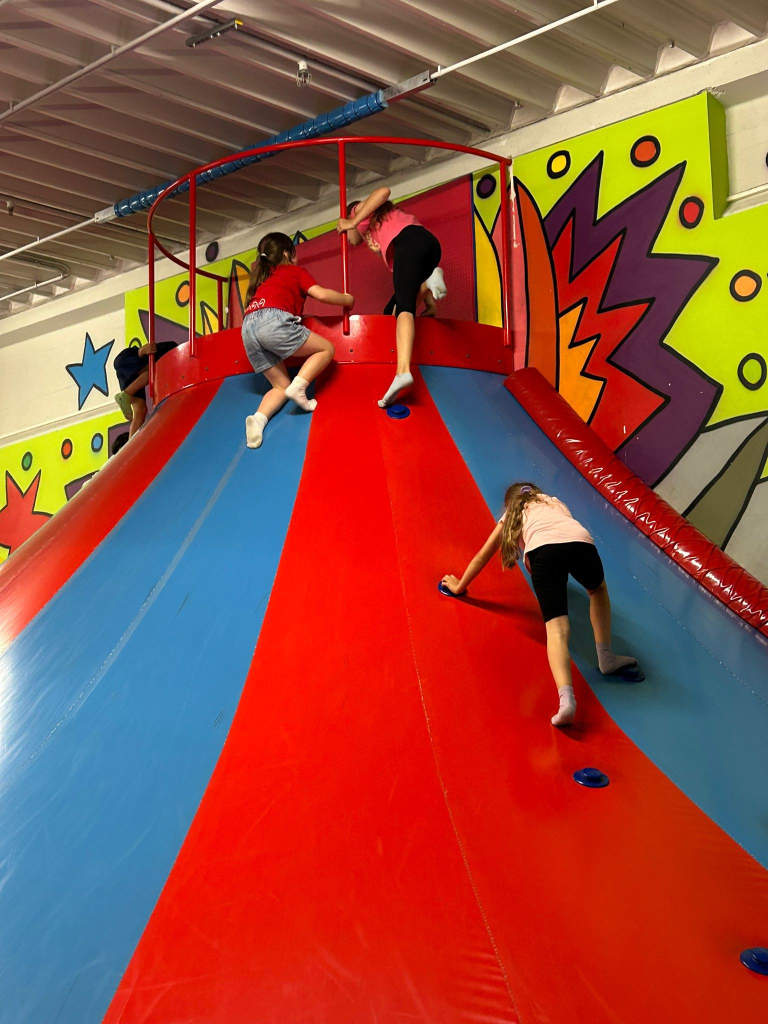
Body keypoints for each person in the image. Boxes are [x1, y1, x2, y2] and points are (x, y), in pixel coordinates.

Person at [441, 482, 638, 727]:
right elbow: (564, 536)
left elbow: (484, 554)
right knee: (597, 590)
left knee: (557, 630)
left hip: (542, 553)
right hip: (581, 543)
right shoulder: (553, 501)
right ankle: (606, 657)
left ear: (510, 503)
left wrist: (460, 586)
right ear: (536, 492)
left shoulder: (512, 513)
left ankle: (567, 701)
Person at [242, 232, 353, 449]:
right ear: (287, 254)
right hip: (272, 322)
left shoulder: (263, 279)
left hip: (248, 329)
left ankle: (258, 419)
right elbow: (321, 294)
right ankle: (299, 386)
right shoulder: (294, 271)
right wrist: (347, 299)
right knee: (326, 349)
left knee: (280, 386)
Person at [337, 188, 444, 408]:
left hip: (411, 242)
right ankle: (429, 282)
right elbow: (409, 278)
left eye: (344, 231)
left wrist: (351, 220)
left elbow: (383, 191)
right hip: (429, 248)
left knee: (405, 308)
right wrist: (429, 304)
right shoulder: (379, 233)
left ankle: (402, 371)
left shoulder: (359, 213)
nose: (346, 238)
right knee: (391, 311)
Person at [114, 341, 176, 437]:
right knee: (152, 372)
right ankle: (126, 394)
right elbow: (143, 351)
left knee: (140, 410)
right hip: (127, 358)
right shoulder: (169, 350)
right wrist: (141, 351)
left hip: (126, 366)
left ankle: (132, 444)